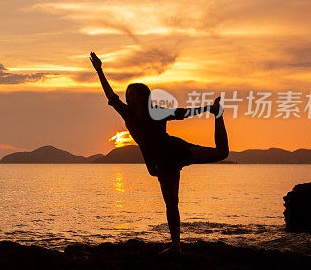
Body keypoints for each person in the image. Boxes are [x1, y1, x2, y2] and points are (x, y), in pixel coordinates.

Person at [89, 51, 229, 254]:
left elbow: (182, 113)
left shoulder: (157, 111)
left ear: (144, 96)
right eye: (128, 94)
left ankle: (218, 114)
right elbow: (111, 96)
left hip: (176, 150)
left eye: (133, 93)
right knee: (171, 202)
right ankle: (176, 245)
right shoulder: (126, 112)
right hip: (160, 162)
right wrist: (99, 70)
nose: (129, 96)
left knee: (222, 153)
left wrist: (208, 108)